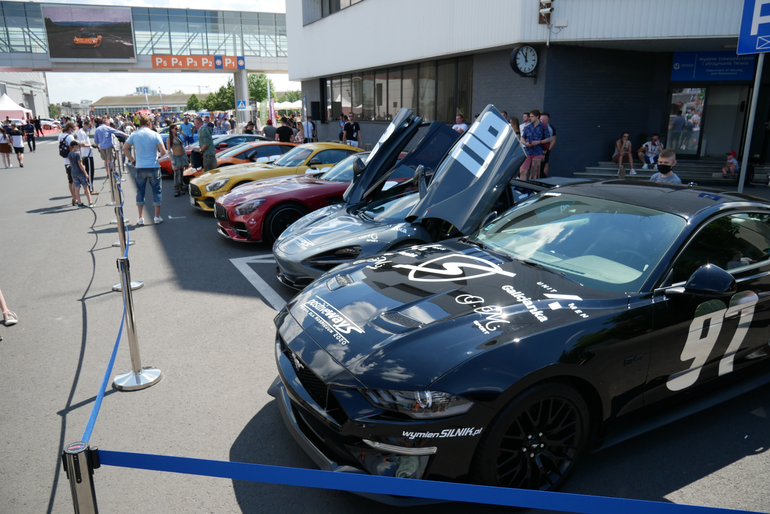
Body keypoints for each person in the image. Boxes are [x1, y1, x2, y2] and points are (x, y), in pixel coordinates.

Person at [122, 115, 166, 225]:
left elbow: (124, 148)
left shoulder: (134, 134)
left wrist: (132, 160)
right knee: (157, 191)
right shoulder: (155, 134)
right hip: (153, 165)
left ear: (140, 123)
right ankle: (156, 216)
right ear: (150, 123)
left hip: (140, 166)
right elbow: (163, 151)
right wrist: (158, 157)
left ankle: (140, 217)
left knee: (140, 191)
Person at [520, 109, 545, 180]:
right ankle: (522, 187)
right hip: (527, 151)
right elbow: (523, 138)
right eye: (530, 116)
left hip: (537, 152)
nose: (530, 118)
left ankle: (531, 187)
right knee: (522, 170)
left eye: (532, 116)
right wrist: (525, 143)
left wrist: (538, 142)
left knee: (534, 172)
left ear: (537, 116)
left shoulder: (543, 127)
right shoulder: (527, 127)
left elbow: (548, 139)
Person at [68, 141, 93, 208]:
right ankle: (90, 202)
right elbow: (80, 164)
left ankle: (79, 203)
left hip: (73, 172)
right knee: (86, 187)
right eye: (78, 146)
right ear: (74, 146)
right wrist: (85, 173)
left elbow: (70, 163)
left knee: (77, 188)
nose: (79, 147)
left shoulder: (70, 154)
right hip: (80, 172)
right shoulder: (77, 154)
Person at [58, 122, 78, 205]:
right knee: (74, 180)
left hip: (65, 161)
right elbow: (72, 148)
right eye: (73, 129)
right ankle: (75, 198)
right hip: (71, 160)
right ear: (70, 129)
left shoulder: (60, 135)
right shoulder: (70, 137)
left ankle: (73, 197)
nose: (74, 130)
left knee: (70, 180)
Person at [166, 124, 188, 197]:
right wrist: (172, 160)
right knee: (176, 173)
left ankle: (181, 188)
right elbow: (169, 150)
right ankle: (176, 190)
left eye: (177, 128)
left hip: (181, 156)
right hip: (175, 156)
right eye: (175, 128)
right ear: (171, 129)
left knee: (181, 172)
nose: (177, 130)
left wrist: (185, 157)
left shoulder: (178, 137)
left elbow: (182, 147)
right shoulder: (169, 138)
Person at [76, 120, 98, 195]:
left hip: (88, 154)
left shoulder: (83, 132)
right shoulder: (81, 132)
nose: (90, 128)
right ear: (85, 124)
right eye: (89, 126)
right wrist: (91, 145)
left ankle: (89, 188)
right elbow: (82, 144)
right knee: (89, 173)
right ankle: (90, 189)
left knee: (90, 172)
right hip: (87, 154)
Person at [540, 112, 556, 177]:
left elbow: (554, 140)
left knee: (545, 163)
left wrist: (548, 149)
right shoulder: (540, 127)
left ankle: (544, 177)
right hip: (540, 148)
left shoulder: (551, 128)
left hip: (546, 148)